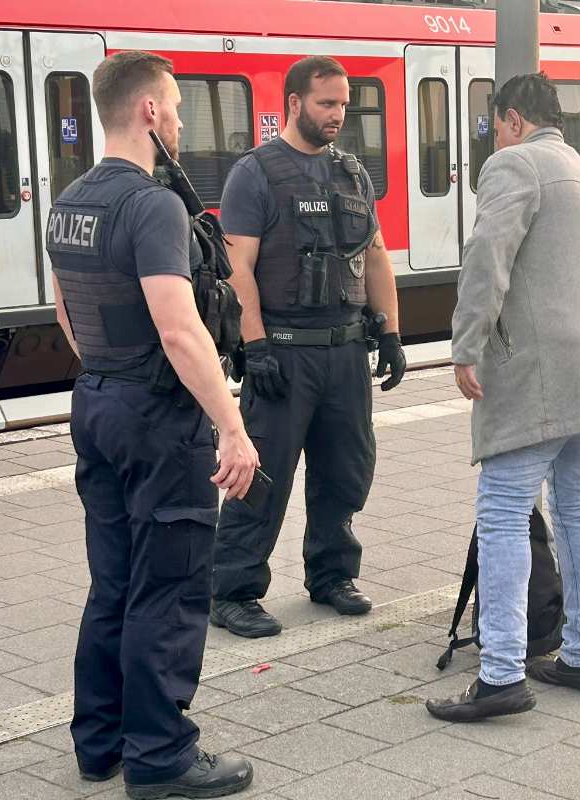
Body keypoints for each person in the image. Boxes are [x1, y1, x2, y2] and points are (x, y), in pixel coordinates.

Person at [47, 51, 260, 798]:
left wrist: (109, 370)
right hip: (158, 419)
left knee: (112, 582)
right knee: (166, 586)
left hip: (97, 401)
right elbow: (180, 330)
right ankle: (162, 757)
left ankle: (100, 744)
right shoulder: (153, 205)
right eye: (173, 107)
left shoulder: (68, 200)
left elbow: (67, 316)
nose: (177, 119)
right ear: (147, 113)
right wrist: (231, 426)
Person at [426, 73, 580, 723]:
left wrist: (466, 344)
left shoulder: (514, 164)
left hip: (541, 370)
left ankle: (500, 675)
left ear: (514, 119)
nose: (494, 138)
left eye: (495, 125)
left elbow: (487, 256)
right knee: (577, 510)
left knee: (501, 510)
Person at [210, 56, 406, 638]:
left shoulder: (352, 173)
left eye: (344, 103)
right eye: (327, 103)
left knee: (345, 470)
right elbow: (237, 267)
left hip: (345, 351)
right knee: (262, 477)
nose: (338, 114)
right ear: (293, 103)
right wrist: (256, 345)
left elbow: (375, 255)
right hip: (285, 355)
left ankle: (332, 575)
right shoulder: (256, 173)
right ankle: (234, 589)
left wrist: (391, 331)